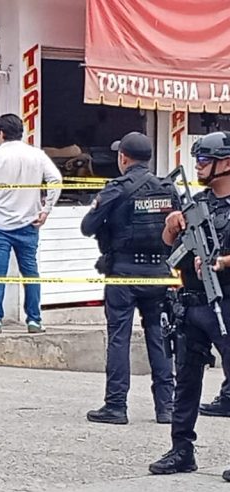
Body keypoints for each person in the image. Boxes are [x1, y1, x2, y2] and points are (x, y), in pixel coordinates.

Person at [149, 131, 230, 479]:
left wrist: (222, 262)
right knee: (186, 379)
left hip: (225, 303)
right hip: (191, 304)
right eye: (197, 160)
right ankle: (181, 449)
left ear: (226, 163)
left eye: (205, 160)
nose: (198, 166)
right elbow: (169, 246)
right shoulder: (196, 203)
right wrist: (170, 227)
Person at [80, 132, 175, 425]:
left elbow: (87, 226)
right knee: (160, 338)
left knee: (119, 338)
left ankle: (116, 406)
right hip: (159, 273)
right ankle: (166, 407)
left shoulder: (117, 189)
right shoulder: (167, 188)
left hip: (123, 274)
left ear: (123, 157)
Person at [0, 114, 63, 334]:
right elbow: (56, 180)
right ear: (21, 132)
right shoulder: (37, 155)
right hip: (29, 224)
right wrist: (46, 209)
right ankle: (34, 321)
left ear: (0, 133)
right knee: (31, 273)